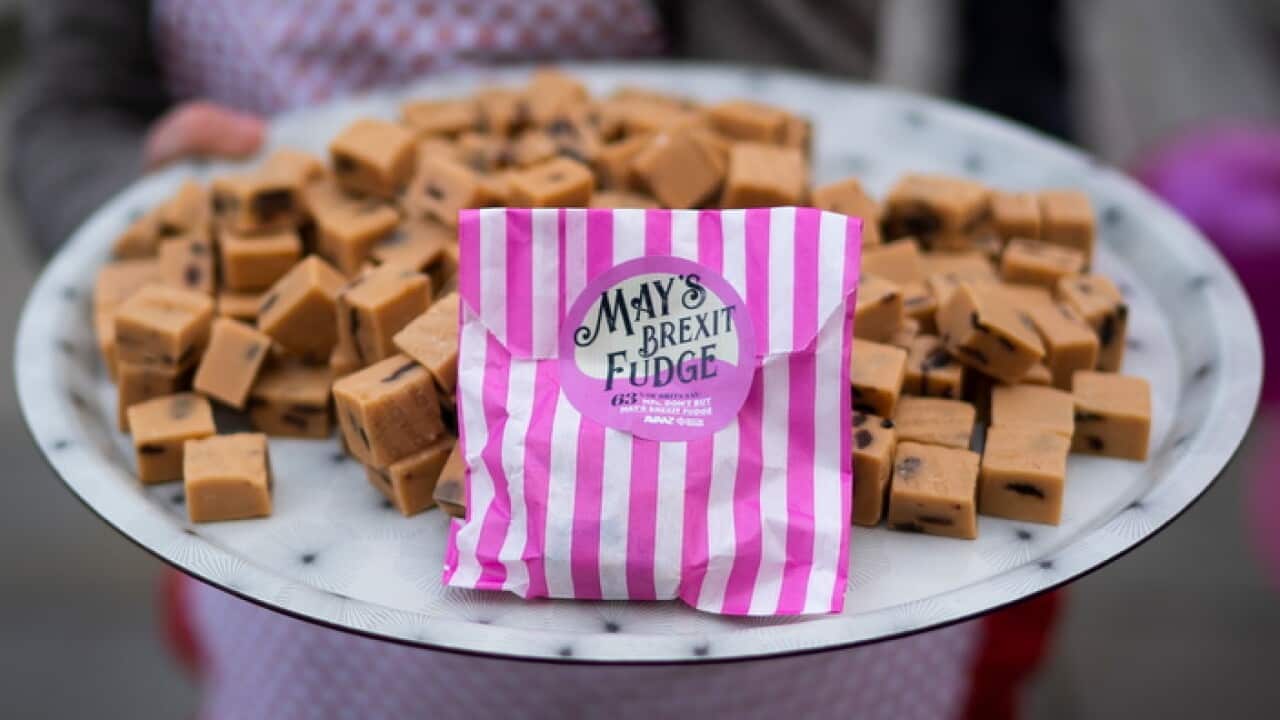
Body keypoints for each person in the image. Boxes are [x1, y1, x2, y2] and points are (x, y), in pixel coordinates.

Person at [9, 2, 1061, 718]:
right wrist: (132, 197)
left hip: (718, 523)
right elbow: (70, 101)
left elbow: (790, 105)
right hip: (310, 512)